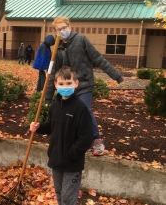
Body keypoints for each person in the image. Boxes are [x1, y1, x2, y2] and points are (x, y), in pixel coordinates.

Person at [45, 16, 124, 156]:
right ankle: (74, 140)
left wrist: (116, 76)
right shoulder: (57, 49)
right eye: (59, 29)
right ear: (55, 32)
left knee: (85, 110)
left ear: (70, 27)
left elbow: (98, 58)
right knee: (67, 113)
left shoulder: (81, 40)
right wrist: (47, 98)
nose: (62, 31)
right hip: (67, 87)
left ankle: (97, 140)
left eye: (64, 28)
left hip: (84, 84)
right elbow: (53, 74)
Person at [30, 66, 94, 205]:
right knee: (59, 193)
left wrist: (70, 154)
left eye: (69, 83)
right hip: (56, 159)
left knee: (68, 197)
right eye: (61, 84)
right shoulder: (54, 107)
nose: (65, 86)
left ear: (76, 84)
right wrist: (39, 127)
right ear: (55, 85)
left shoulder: (80, 109)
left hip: (72, 163)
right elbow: (52, 127)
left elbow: (86, 138)